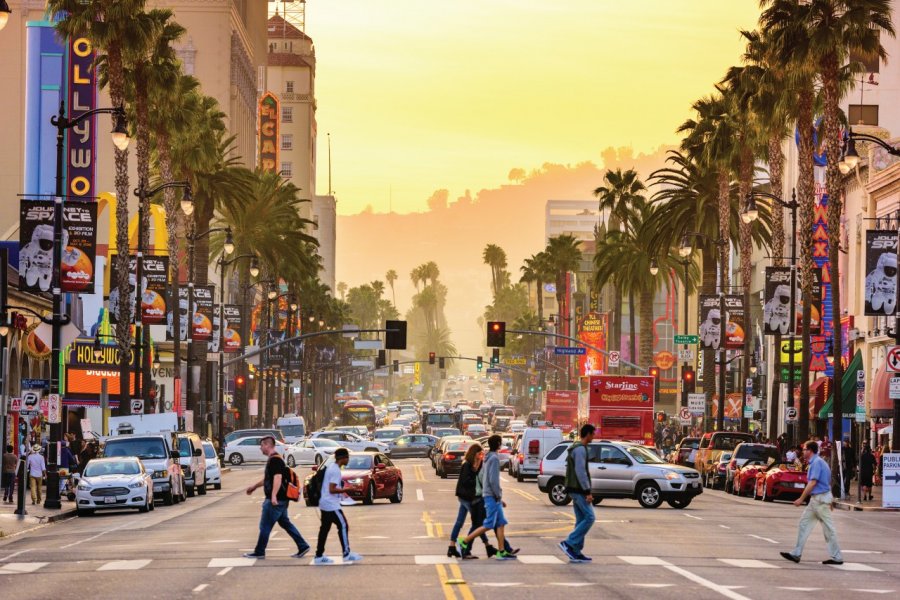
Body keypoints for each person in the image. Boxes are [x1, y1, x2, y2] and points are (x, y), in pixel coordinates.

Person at [243, 436, 310, 559]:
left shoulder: (275, 460)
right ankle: (303, 546)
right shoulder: (275, 459)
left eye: (262, 445)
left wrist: (273, 496)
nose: (260, 448)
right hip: (281, 500)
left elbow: (277, 478)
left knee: (265, 526)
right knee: (285, 523)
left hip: (276, 500)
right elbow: (269, 479)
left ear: (268, 445)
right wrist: (254, 486)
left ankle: (259, 551)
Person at [780, 441, 843, 565]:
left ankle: (837, 557)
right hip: (818, 500)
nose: (802, 452)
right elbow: (827, 482)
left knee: (828, 529)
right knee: (804, 524)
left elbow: (813, 483)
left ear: (810, 451)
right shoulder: (819, 463)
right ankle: (796, 553)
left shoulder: (816, 463)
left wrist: (801, 498)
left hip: (819, 500)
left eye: (804, 450)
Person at [456, 434, 516, 560]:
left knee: (500, 523)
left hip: (490, 495)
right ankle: (465, 541)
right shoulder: (494, 459)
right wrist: (498, 495)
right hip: (492, 496)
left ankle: (501, 550)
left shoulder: (488, 457)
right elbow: (493, 480)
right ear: (499, 444)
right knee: (488, 524)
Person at [314, 447, 362, 564]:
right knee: (343, 526)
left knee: (324, 529)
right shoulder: (335, 470)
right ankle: (346, 553)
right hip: (331, 505)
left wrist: (342, 492)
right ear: (343, 458)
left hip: (324, 503)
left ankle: (319, 555)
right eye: (347, 458)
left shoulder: (332, 467)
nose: (348, 460)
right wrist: (345, 490)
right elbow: (332, 489)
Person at [448, 443, 494, 558]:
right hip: (467, 497)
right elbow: (466, 481)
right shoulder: (467, 465)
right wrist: (475, 473)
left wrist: (478, 466)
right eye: (480, 453)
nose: (482, 455)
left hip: (467, 497)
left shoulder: (477, 464)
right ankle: (468, 549)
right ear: (475, 454)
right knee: (478, 524)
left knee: (461, 522)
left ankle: (451, 547)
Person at [559, 424, 596, 563]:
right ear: (588, 434)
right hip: (578, 488)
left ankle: (576, 551)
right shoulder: (580, 449)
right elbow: (581, 472)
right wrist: (587, 491)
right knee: (590, 517)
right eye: (593, 434)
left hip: (574, 488)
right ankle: (569, 543)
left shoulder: (577, 447)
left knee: (581, 519)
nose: (594, 436)